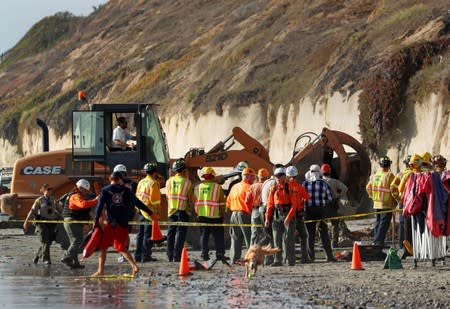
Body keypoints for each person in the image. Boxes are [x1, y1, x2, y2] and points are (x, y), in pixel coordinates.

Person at [92, 171, 152, 276]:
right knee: (121, 247)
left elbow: (99, 206)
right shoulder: (126, 191)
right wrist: (150, 212)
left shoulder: (105, 190)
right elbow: (138, 203)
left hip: (111, 223)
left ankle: (100, 271)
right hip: (123, 223)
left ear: (110, 179)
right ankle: (134, 266)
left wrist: (96, 219)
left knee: (103, 247)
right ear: (120, 179)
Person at [61, 179, 98, 269]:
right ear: (80, 188)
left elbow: (87, 210)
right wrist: (96, 200)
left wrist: (94, 220)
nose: (86, 192)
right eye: (85, 190)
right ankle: (66, 257)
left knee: (76, 242)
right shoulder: (75, 196)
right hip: (71, 221)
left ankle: (75, 263)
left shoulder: (80, 196)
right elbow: (83, 205)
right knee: (77, 240)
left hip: (75, 221)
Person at [264, 167, 297, 266]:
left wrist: (288, 217)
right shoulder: (273, 189)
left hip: (288, 214)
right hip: (276, 214)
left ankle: (290, 260)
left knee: (289, 239)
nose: (278, 178)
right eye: (276, 176)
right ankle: (277, 260)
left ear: (284, 176)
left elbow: (294, 204)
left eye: (280, 176)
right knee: (276, 238)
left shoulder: (290, 187)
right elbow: (270, 205)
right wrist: (267, 218)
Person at [303, 165, 336, 262]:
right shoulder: (324, 184)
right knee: (324, 233)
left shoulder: (304, 184)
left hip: (308, 211)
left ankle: (311, 257)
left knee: (310, 234)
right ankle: (329, 256)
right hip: (321, 210)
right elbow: (329, 198)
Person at [166, 158, 195, 262]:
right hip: (183, 211)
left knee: (171, 233)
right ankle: (177, 256)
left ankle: (169, 255)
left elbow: (167, 196)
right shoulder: (187, 182)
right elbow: (190, 198)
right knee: (181, 234)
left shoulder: (169, 181)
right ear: (184, 171)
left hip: (171, 211)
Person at [194, 167, 226, 261]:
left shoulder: (197, 187)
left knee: (204, 236)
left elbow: (195, 201)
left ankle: (204, 255)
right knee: (219, 236)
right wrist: (223, 214)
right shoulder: (217, 187)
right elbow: (221, 203)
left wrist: (197, 213)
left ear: (204, 177)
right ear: (213, 176)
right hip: (215, 216)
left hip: (202, 215)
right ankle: (219, 254)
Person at [23, 184, 61, 264]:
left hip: (52, 223)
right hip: (42, 223)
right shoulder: (39, 200)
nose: (49, 192)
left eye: (50, 190)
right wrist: (26, 221)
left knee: (48, 241)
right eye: (48, 190)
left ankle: (37, 255)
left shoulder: (54, 200)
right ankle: (46, 259)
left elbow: (59, 210)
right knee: (45, 241)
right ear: (44, 191)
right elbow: (32, 211)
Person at [226, 167, 255, 264]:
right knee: (249, 237)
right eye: (253, 177)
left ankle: (234, 259)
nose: (254, 179)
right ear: (248, 177)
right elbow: (251, 202)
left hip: (234, 214)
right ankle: (251, 259)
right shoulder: (249, 187)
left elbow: (228, 203)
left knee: (235, 238)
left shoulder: (235, 187)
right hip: (245, 214)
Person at [366, 156, 396, 247]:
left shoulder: (375, 175)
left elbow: (368, 188)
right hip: (387, 203)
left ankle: (376, 240)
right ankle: (378, 241)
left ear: (380, 165)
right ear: (389, 165)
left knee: (379, 222)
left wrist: (373, 197)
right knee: (384, 223)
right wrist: (396, 200)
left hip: (377, 203)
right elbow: (394, 189)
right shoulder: (389, 175)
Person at [134, 162, 161, 263]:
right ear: (155, 172)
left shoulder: (141, 182)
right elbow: (155, 201)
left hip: (141, 211)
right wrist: (157, 212)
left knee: (140, 234)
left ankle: (137, 256)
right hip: (150, 213)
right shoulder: (154, 183)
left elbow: (137, 196)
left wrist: (138, 209)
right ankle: (146, 256)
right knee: (147, 235)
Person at [285, 165, 311, 263]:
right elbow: (307, 197)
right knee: (303, 236)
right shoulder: (299, 187)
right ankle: (304, 257)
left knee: (288, 236)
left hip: (287, 214)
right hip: (298, 214)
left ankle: (286, 257)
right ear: (296, 174)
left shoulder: (284, 186)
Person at [260, 163, 283, 265]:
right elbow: (272, 202)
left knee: (268, 235)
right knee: (275, 236)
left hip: (263, 209)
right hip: (272, 210)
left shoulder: (266, 182)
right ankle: (275, 258)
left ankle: (268, 259)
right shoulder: (275, 184)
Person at [321, 164, 348, 248]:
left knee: (322, 224)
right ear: (330, 172)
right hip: (333, 204)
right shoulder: (334, 181)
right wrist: (338, 195)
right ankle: (334, 242)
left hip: (323, 205)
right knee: (334, 224)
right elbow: (345, 188)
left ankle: (324, 242)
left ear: (322, 172)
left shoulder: (320, 182)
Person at [390, 155, 412, 249]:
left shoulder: (401, 174)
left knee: (403, 223)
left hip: (403, 202)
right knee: (413, 224)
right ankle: (411, 245)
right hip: (414, 202)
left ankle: (401, 245)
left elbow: (393, 187)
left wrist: (398, 198)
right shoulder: (417, 173)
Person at [245, 168, 270, 245]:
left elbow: (247, 201)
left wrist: (250, 211)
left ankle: (252, 252)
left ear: (258, 177)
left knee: (254, 233)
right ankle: (266, 253)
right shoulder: (269, 186)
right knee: (267, 232)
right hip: (266, 210)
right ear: (267, 177)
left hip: (255, 211)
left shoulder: (253, 186)